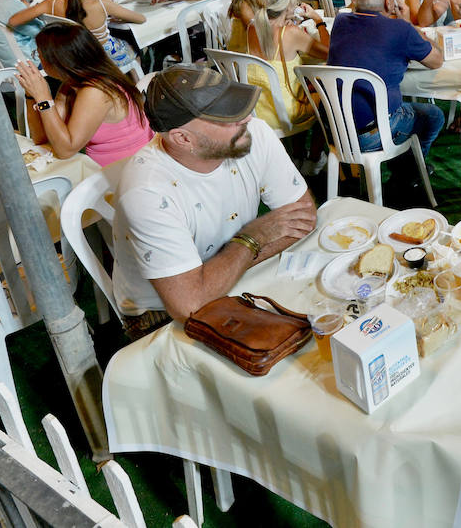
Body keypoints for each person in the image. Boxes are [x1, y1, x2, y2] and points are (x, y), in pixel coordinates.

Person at [110, 65, 316, 336]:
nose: (246, 117)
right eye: (226, 117)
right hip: (161, 313)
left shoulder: (251, 132)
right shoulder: (147, 193)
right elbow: (190, 306)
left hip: (235, 277)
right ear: (183, 138)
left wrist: (224, 271)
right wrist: (253, 237)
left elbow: (304, 217)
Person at [328, 0, 445, 156]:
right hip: (374, 133)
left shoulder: (340, 22)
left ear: (354, 0)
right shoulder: (401, 29)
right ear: (389, 3)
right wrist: (407, 23)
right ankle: (413, 167)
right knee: (434, 115)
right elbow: (437, 60)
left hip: (335, 129)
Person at [17, 23, 153, 167]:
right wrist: (31, 96)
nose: (38, 59)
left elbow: (65, 150)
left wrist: (44, 98)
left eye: (38, 55)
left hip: (129, 169)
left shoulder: (96, 91)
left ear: (58, 61)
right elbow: (44, 139)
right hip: (108, 168)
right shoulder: (71, 85)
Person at [245, 0, 329, 136]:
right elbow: (329, 53)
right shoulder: (290, 33)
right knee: (329, 93)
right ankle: (316, 150)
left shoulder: (251, 27)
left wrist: (287, 20)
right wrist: (318, 20)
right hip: (285, 114)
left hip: (257, 109)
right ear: (287, 5)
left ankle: (298, 147)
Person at [42, 0, 146, 73]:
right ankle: (137, 81)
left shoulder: (50, 4)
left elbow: (24, 16)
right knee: (135, 45)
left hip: (76, 58)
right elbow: (141, 19)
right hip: (104, 58)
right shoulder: (101, 4)